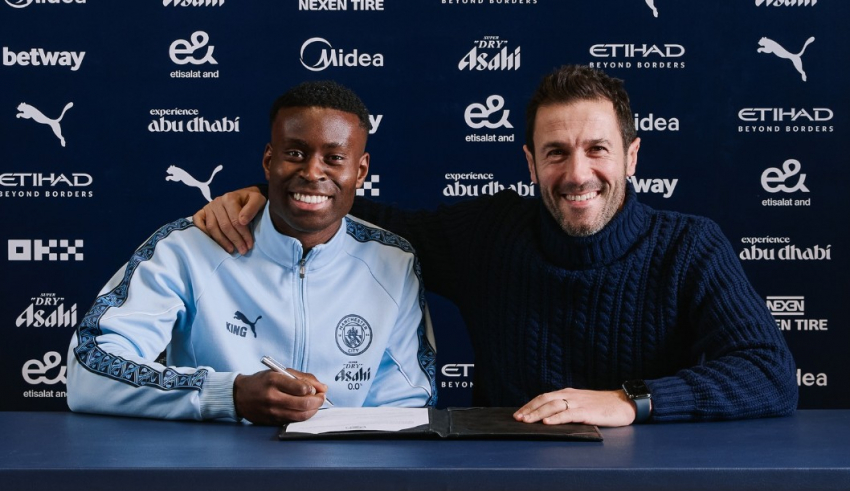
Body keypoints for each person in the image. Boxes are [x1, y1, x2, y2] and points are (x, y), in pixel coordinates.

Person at [193, 66, 798, 427]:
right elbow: (364, 212)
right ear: (531, 163)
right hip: (510, 475)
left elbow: (769, 373)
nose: (578, 173)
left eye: (597, 149)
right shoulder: (490, 233)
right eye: (556, 153)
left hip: (652, 477)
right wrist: (267, 193)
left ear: (632, 156)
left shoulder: (689, 245)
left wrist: (628, 401)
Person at [66, 81, 437, 425]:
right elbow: (89, 371)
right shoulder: (189, 248)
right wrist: (230, 394)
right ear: (268, 161)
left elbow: (407, 408)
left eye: (334, 157)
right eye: (295, 153)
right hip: (207, 468)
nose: (312, 172)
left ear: (361, 171)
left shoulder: (394, 263)